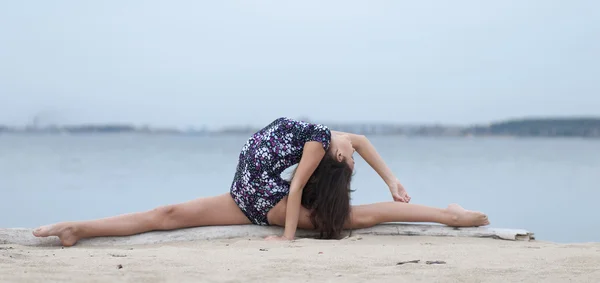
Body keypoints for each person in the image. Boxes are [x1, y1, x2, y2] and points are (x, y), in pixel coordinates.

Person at [33, 117, 489, 246]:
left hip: (268, 201)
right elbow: (364, 140)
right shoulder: (337, 138)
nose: (351, 153)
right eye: (350, 157)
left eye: (347, 160)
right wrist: (391, 178)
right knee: (165, 215)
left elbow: (293, 191)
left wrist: (287, 239)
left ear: (331, 161)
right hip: (242, 196)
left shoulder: (317, 148)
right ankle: (80, 227)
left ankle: (449, 216)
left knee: (361, 218)